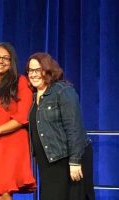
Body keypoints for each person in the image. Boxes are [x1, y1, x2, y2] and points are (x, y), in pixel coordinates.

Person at [26, 52, 95, 200]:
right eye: (31, 70)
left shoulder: (62, 91)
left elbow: (74, 128)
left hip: (66, 160)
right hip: (47, 162)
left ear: (48, 70)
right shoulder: (31, 97)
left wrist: (75, 161)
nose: (34, 74)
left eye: (38, 70)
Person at [0, 42, 36, 200]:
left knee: (3, 192)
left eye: (6, 58)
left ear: (12, 63)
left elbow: (24, 116)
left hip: (11, 143)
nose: (0, 61)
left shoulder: (20, 81)